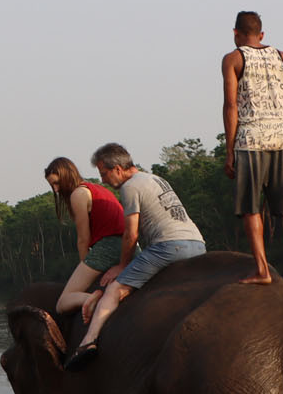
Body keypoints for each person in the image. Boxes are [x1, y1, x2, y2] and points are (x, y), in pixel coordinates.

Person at [66, 143, 207, 369]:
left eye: (104, 173)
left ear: (117, 169)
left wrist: (122, 266)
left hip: (168, 246)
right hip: (197, 244)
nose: (103, 180)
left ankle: (88, 341)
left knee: (114, 291)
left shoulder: (130, 186)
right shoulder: (156, 179)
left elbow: (130, 234)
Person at [222, 10, 283, 288]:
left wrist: (229, 151)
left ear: (235, 33)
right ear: (261, 35)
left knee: (251, 209)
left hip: (251, 141)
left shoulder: (233, 59)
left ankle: (262, 270)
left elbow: (231, 106)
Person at [43, 156, 126, 316]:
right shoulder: (98, 189)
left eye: (57, 183)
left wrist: (85, 266)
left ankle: (94, 299)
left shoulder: (79, 194)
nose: (56, 190)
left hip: (108, 248)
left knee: (63, 302)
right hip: (130, 246)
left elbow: (83, 240)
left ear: (67, 175)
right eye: (52, 185)